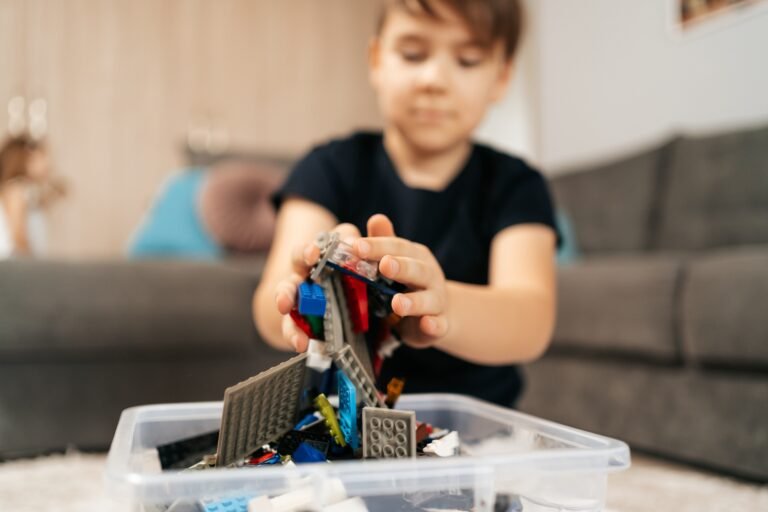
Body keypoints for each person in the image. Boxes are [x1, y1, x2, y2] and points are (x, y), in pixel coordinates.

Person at [253, 0, 559, 407]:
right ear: (377, 60)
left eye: (467, 60)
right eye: (413, 54)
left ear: (501, 77)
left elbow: (531, 322)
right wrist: (306, 297)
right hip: (344, 419)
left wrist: (442, 306)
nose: (434, 79)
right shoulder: (328, 167)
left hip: (478, 428)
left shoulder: (517, 184)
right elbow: (269, 307)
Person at [0, 134, 65, 258]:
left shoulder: (23, 192)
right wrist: (33, 267)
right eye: (42, 158)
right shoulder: (15, 190)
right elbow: (19, 237)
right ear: (25, 160)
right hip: (15, 268)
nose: (47, 164)